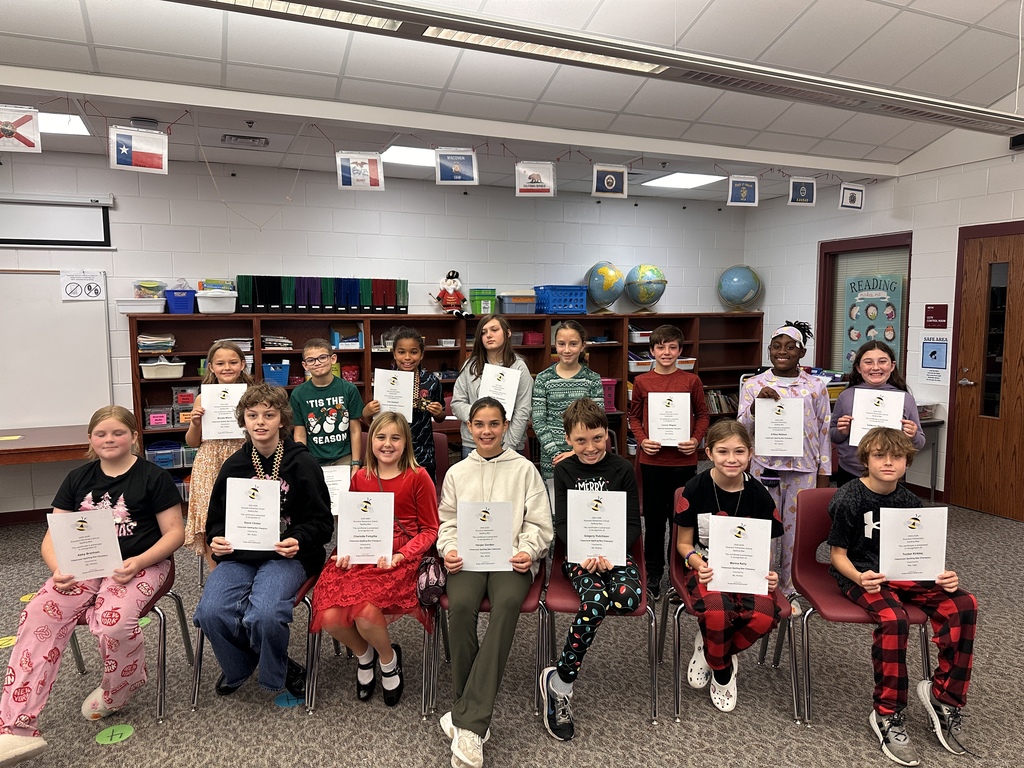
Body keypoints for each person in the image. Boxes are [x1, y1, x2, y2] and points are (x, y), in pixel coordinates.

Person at [0, 406, 184, 766]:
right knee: (38, 613)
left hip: (142, 564)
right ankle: (16, 726)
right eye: (101, 434)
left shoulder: (153, 477)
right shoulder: (77, 478)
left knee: (113, 620)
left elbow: (175, 533)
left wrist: (140, 562)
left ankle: (120, 687)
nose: (109, 440)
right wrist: (57, 570)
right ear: (90, 440)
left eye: (118, 433)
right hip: (84, 566)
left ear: (133, 435)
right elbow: (52, 538)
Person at [828, 427, 977, 766]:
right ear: (865, 459)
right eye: (879, 455)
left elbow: (923, 554)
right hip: (862, 574)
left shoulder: (909, 501)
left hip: (904, 573)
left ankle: (944, 697)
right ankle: (887, 713)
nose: (888, 462)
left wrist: (944, 575)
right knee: (894, 619)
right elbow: (837, 555)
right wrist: (859, 577)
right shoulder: (848, 498)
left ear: (908, 461)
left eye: (896, 456)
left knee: (963, 603)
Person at [193, 383, 333, 701]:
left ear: (281, 420)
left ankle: (274, 673)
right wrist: (217, 539)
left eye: (268, 415)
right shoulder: (234, 466)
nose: (260, 422)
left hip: (288, 556)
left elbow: (323, 524)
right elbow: (216, 521)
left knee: (266, 614)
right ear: (243, 420)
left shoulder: (302, 464)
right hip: (240, 555)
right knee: (212, 611)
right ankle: (248, 665)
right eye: (252, 415)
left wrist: (298, 538)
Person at [437, 397, 552, 768]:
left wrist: (528, 550)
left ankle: (468, 722)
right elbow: (448, 521)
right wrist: (449, 548)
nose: (486, 431)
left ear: (505, 426)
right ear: (469, 428)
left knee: (505, 606)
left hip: (511, 559)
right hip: (468, 560)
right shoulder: (457, 472)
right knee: (462, 607)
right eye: (479, 424)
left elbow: (538, 524)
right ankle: (472, 714)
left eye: (494, 424)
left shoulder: (525, 470)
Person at [311, 411, 439, 707]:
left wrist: (401, 555)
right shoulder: (361, 477)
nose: (387, 444)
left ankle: (388, 659)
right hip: (361, 553)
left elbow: (430, 529)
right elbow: (355, 522)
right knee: (329, 615)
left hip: (400, 556)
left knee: (365, 614)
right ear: (372, 443)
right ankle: (364, 655)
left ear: (406, 442)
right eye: (381, 437)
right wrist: (344, 552)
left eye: (395, 438)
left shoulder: (419, 477)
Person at [540, 399, 642, 741]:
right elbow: (563, 522)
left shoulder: (623, 469)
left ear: (608, 435)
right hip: (579, 555)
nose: (590, 447)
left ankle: (560, 674)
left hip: (615, 552)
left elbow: (631, 523)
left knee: (627, 599)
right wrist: (585, 552)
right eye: (581, 441)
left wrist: (612, 553)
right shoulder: (566, 470)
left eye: (597, 438)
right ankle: (561, 681)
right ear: (568, 439)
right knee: (595, 603)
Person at [673, 420, 783, 712]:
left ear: (750, 453)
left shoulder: (759, 494)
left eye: (739, 452)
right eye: (723, 451)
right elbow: (683, 545)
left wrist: (769, 573)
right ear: (708, 452)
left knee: (763, 616)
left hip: (748, 571)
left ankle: (711, 647)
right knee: (718, 611)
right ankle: (722, 674)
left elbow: (765, 545)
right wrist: (697, 563)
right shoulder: (694, 489)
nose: (731, 459)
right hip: (706, 567)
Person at [737, 321, 831, 608]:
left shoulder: (815, 386)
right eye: (777, 346)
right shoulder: (753, 385)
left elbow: (824, 428)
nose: (783, 352)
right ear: (769, 350)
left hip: (803, 469)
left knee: (795, 531)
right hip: (765, 467)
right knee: (764, 527)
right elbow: (741, 428)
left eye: (790, 347)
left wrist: (824, 473)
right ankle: (762, 584)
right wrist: (755, 407)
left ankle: (790, 587)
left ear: (801, 352)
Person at [627, 324, 710, 598]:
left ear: (680, 350)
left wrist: (696, 440)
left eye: (672, 347)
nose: (666, 352)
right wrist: (641, 441)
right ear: (651, 350)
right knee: (653, 520)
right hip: (652, 462)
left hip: (683, 462)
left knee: (683, 520)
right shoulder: (642, 382)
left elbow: (703, 415)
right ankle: (653, 574)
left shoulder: (691, 381)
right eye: (660, 347)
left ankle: (682, 572)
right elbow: (634, 417)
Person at [184, 340, 256, 570]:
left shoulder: (252, 396)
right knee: (208, 518)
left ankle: (245, 567)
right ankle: (216, 573)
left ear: (243, 364)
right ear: (211, 367)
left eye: (233, 362)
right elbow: (192, 442)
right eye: (220, 363)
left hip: (243, 455)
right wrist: (195, 423)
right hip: (209, 460)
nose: (227, 367)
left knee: (244, 511)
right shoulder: (202, 398)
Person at [830, 341, 925, 487]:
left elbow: (920, 442)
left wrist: (913, 435)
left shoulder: (905, 399)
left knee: (884, 510)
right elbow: (833, 435)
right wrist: (842, 432)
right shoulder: (846, 396)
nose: (875, 367)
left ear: (892, 366)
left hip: (888, 472)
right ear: (858, 368)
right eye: (868, 362)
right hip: (851, 471)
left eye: (882, 361)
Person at [531, 320, 605, 509]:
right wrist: (557, 454)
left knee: (585, 508)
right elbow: (539, 421)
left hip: (587, 454)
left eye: (573, 344)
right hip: (552, 458)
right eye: (561, 344)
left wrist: (575, 452)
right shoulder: (543, 379)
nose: (567, 350)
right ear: (555, 345)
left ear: (582, 346)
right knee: (556, 510)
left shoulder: (592, 379)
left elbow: (599, 422)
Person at [361, 326, 446, 481]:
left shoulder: (431, 382)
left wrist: (438, 412)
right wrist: (367, 411)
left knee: (422, 494)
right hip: (391, 450)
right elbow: (371, 421)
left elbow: (441, 417)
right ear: (394, 354)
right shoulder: (385, 381)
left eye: (413, 352)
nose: (407, 357)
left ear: (422, 355)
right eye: (401, 352)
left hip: (422, 450)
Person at [451, 314, 533, 459]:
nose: (488, 335)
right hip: (473, 444)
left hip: (507, 444)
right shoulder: (470, 365)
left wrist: (508, 445)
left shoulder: (519, 367)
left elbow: (523, 410)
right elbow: (457, 404)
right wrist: (482, 415)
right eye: (483, 332)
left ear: (507, 333)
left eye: (494, 330)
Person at [290, 337, 364, 475]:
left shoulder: (349, 389)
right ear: (305, 365)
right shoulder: (298, 394)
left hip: (345, 459)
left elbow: (355, 430)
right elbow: (300, 434)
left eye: (323, 357)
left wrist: (355, 464)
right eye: (311, 360)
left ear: (333, 359)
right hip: (314, 461)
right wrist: (304, 464)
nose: (317, 363)